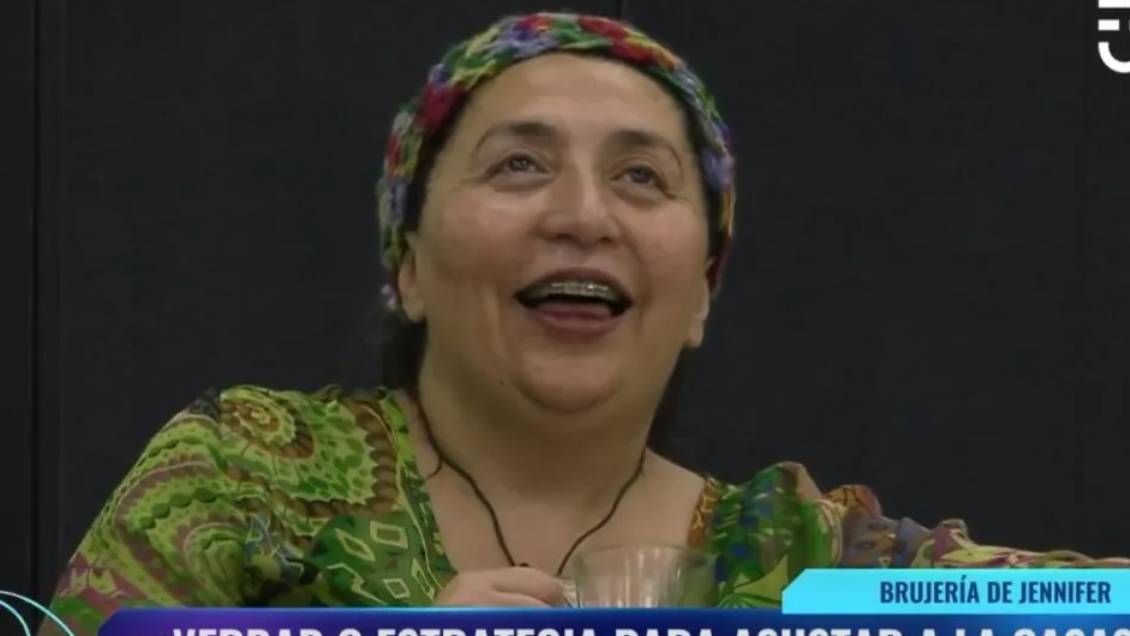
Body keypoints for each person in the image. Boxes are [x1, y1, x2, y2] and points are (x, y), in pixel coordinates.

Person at [38, 11, 1128, 635]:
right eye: (519, 165)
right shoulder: (242, 476)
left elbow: (1090, 604)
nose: (582, 216)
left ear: (702, 290)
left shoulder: (801, 556)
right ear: (406, 264)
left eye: (641, 177)